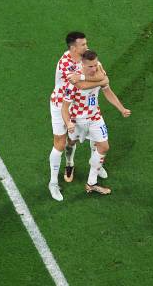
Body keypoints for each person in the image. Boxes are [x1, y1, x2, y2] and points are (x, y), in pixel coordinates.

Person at [61, 50, 131, 196]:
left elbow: (108, 91)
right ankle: (69, 164)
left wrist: (121, 108)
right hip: (77, 120)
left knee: (104, 147)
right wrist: (68, 123)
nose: (95, 69)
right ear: (82, 65)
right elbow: (64, 108)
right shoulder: (72, 82)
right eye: (91, 66)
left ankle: (91, 182)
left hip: (94, 117)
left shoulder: (97, 70)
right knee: (71, 143)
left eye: (95, 65)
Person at [48, 32, 108, 201]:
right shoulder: (65, 63)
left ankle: (95, 167)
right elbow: (81, 84)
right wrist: (101, 82)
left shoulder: (86, 59)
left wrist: (98, 79)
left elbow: (100, 73)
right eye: (82, 45)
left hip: (82, 103)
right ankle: (55, 180)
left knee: (94, 133)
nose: (86, 47)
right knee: (60, 143)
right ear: (73, 48)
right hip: (62, 105)